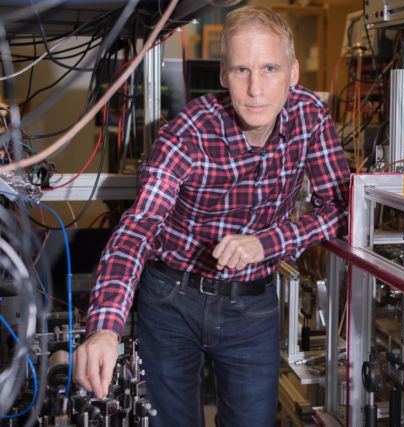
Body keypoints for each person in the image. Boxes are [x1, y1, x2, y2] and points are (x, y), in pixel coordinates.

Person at [72, 6, 350, 426]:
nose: (256, 88)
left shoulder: (310, 118)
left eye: (269, 68)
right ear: (223, 75)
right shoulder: (188, 132)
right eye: (241, 70)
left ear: (293, 72)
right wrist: (105, 327)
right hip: (170, 301)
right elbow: (138, 228)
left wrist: (266, 243)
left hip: (252, 307)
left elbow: (340, 209)